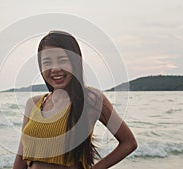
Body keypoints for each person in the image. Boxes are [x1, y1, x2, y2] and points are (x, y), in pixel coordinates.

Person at [13, 31, 137, 169]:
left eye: (62, 60)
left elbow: (128, 142)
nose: (55, 68)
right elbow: (20, 157)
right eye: (47, 62)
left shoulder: (91, 99)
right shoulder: (33, 104)